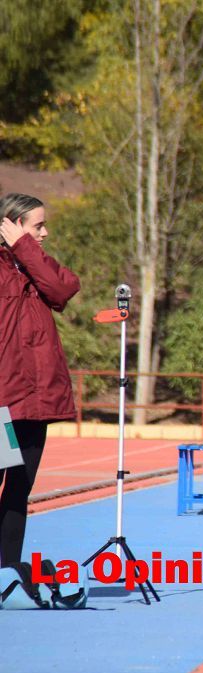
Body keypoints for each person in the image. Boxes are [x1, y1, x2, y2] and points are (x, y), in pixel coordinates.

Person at [0, 193, 80, 567]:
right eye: (37, 226)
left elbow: (64, 288)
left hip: (37, 404)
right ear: (13, 225)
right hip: (4, 405)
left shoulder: (36, 266)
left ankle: (8, 572)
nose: (44, 233)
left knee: (19, 491)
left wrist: (25, 249)